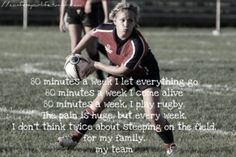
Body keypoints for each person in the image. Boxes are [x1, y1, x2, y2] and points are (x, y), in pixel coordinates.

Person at [58, 2, 177, 155]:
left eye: (130, 21)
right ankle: (74, 139)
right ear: (114, 19)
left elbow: (122, 71)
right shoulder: (105, 29)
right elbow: (90, 34)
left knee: (153, 115)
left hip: (145, 74)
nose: (126, 24)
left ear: (135, 23)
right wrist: (74, 52)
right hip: (120, 70)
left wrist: (96, 65)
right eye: (122, 20)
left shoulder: (137, 45)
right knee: (98, 102)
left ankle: (170, 144)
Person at [59, 0, 109, 80]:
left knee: (91, 48)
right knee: (75, 45)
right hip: (73, 10)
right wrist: (61, 19)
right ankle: (74, 74)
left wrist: (89, 2)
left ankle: (99, 73)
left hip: (89, 11)